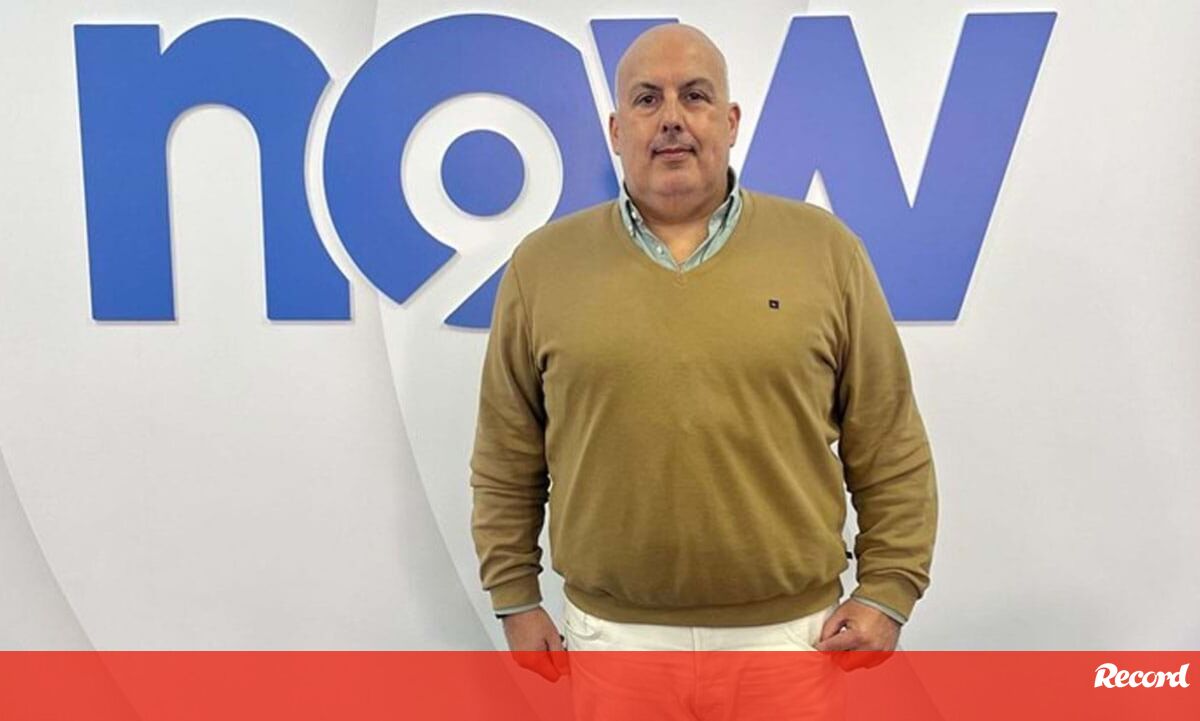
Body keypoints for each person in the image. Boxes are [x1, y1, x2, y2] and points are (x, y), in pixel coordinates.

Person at [468, 21, 938, 705]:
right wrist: (514, 594)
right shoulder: (543, 266)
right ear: (616, 130)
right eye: (647, 99)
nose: (672, 119)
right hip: (614, 641)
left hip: (792, 639)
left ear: (731, 120)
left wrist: (889, 588)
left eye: (694, 95)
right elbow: (507, 451)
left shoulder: (825, 250)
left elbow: (888, 437)